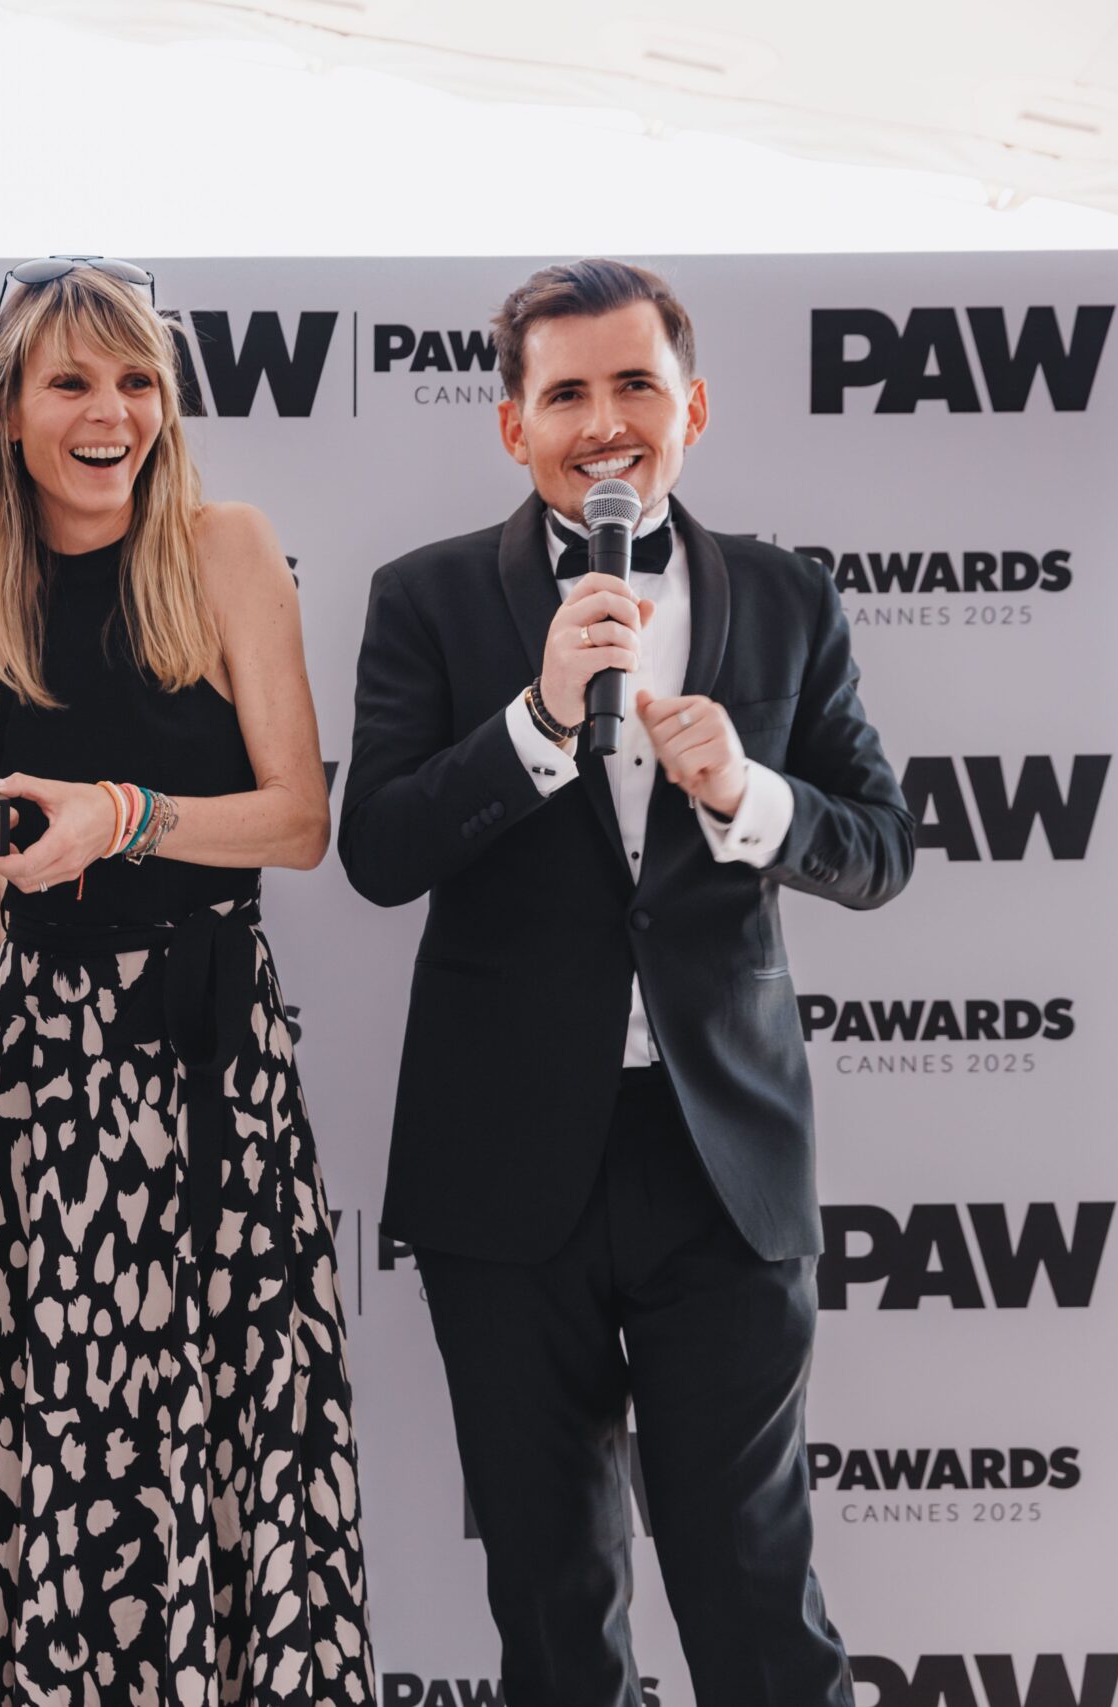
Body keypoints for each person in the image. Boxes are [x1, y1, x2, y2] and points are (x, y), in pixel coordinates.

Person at [338, 258, 915, 1706]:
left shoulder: (788, 597)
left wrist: (750, 794)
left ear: (693, 407)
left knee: (754, 1582)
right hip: (504, 1170)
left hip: (719, 1164)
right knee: (552, 1596)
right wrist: (536, 721)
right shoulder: (424, 601)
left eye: (635, 385)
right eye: (568, 393)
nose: (605, 423)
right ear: (513, 425)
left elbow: (882, 849)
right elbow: (381, 851)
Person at [0, 256, 372, 1705]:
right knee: (74, 1445)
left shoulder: (226, 549)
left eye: (136, 383)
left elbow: (298, 820)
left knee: (242, 1436)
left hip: (216, 1050)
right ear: (7, 407)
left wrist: (129, 816)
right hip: (45, 1086)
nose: (111, 413)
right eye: (72, 382)